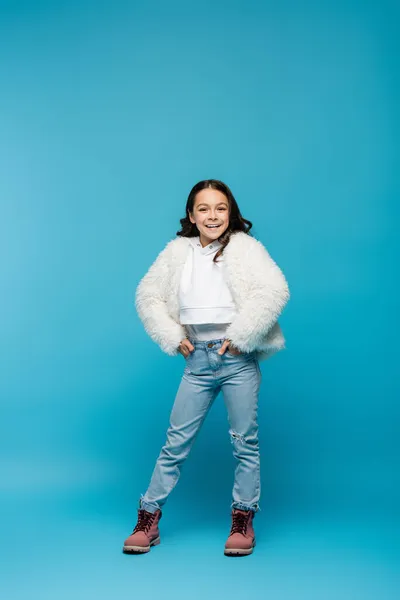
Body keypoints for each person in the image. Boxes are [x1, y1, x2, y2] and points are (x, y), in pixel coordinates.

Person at [122, 179, 290, 556]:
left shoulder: (246, 249)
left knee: (244, 441)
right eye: (204, 208)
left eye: (220, 208)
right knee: (175, 442)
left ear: (230, 213)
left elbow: (274, 290)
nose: (212, 215)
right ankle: (148, 519)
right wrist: (170, 334)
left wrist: (243, 333)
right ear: (191, 215)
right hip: (196, 358)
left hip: (236, 359)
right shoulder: (177, 252)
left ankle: (243, 519)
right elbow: (147, 295)